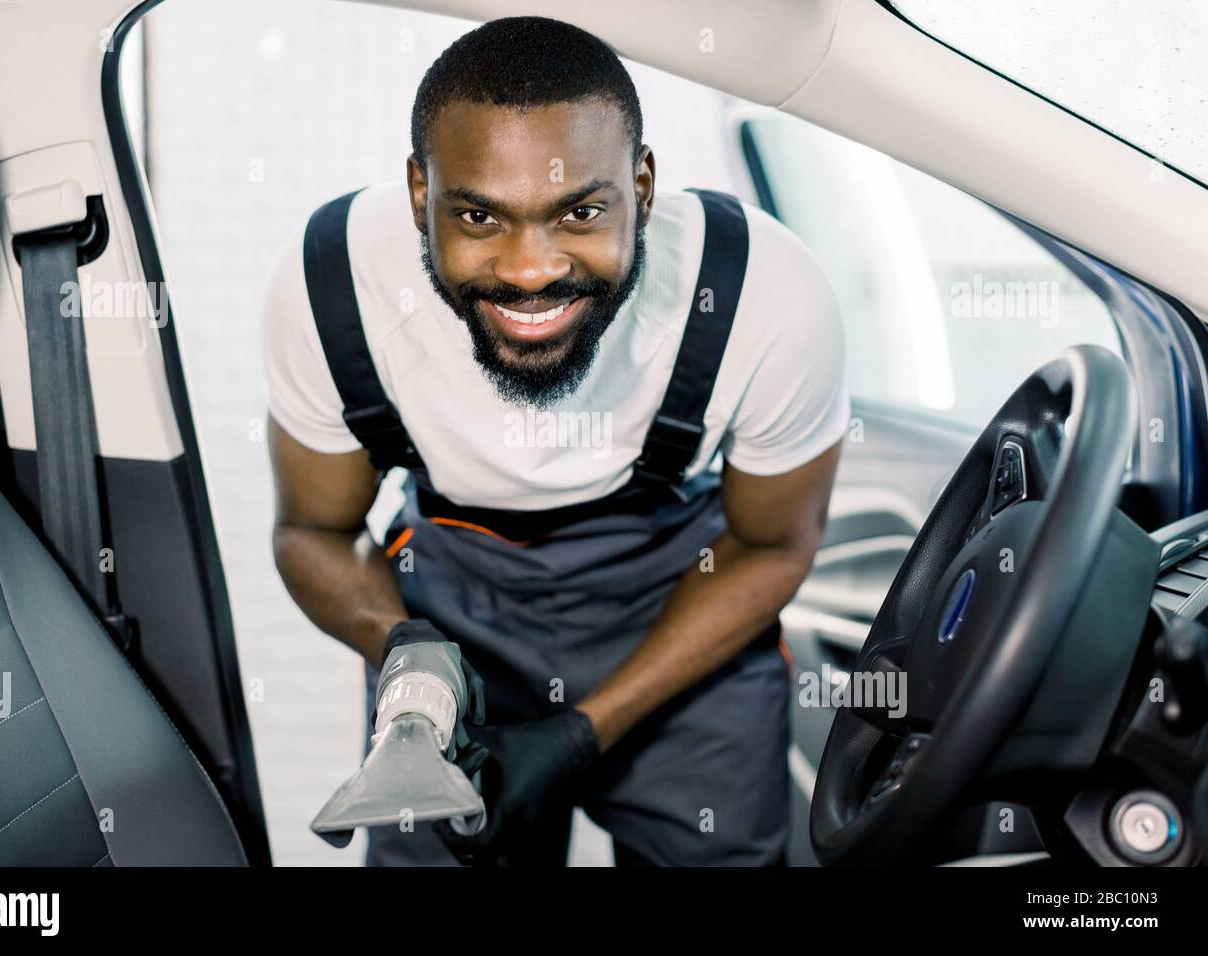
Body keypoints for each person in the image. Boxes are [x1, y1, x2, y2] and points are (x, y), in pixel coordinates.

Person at [263, 15, 847, 866]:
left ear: (642, 188)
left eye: (579, 211)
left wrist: (580, 734)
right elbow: (310, 533)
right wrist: (401, 650)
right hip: (449, 640)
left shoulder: (767, 294)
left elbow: (770, 547)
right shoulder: (330, 289)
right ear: (422, 196)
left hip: (684, 644)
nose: (532, 270)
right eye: (480, 216)